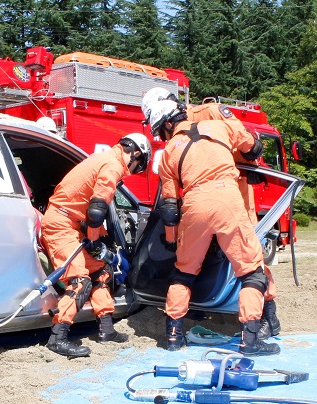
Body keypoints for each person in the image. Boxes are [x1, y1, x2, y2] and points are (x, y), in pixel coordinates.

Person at [141, 87, 281, 341]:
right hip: (230, 198)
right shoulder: (215, 124)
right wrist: (252, 149)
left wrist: (172, 240)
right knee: (251, 269)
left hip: (197, 204)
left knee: (184, 271)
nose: (160, 137)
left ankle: (173, 334)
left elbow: (170, 206)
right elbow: (250, 144)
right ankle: (251, 335)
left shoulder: (172, 147)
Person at [40, 133, 152, 357]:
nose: (134, 170)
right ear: (135, 153)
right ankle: (57, 338)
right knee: (80, 279)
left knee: (101, 272)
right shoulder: (112, 164)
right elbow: (96, 209)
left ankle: (107, 330)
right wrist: (94, 240)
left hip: (70, 223)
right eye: (138, 164)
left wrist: (99, 241)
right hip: (61, 224)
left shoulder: (105, 159)